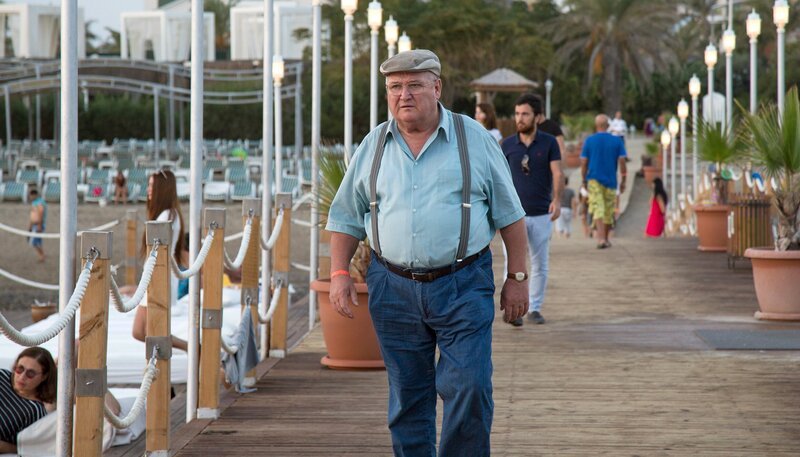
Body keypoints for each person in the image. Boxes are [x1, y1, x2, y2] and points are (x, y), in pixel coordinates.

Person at [326, 49, 528, 456]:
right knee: (407, 398)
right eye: (395, 87)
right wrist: (339, 274)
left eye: (414, 85)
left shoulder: (474, 139)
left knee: (469, 385)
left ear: (436, 88)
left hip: (463, 283)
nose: (404, 95)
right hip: (392, 286)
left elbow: (511, 215)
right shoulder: (374, 145)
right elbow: (346, 215)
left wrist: (518, 279)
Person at [501, 93, 563, 327]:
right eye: (517, 114)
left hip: (541, 213)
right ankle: (514, 312)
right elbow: (498, 180)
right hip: (513, 216)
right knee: (512, 265)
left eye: (525, 114)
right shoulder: (506, 145)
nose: (520, 118)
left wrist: (557, 199)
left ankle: (535, 308)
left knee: (540, 263)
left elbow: (557, 173)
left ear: (537, 117)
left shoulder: (549, 143)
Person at [132, 169, 188, 352]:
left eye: (151, 186)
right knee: (140, 331)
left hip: (158, 278)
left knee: (149, 331)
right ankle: (192, 348)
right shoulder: (170, 215)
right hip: (156, 276)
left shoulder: (166, 217)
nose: (148, 190)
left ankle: (193, 349)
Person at [581, 114, 627, 249]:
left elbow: (584, 162)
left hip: (594, 179)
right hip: (611, 180)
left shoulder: (589, 141)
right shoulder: (617, 141)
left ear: (596, 125)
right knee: (608, 209)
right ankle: (604, 238)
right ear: (608, 126)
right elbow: (623, 161)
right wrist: (623, 179)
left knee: (598, 207)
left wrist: (584, 179)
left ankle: (602, 239)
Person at [0, 347, 56, 454]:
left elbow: (23, 449)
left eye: (30, 374)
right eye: (19, 369)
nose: (22, 377)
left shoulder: (36, 412)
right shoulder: (2, 376)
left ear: (44, 377)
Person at [28, 189, 47, 262]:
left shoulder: (39, 202)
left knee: (34, 242)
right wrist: (30, 225)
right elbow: (33, 215)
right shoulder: (35, 202)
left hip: (38, 225)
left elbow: (40, 213)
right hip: (35, 225)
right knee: (38, 241)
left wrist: (39, 225)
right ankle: (42, 255)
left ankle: (42, 255)